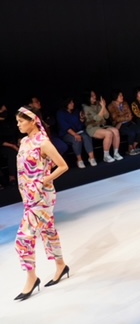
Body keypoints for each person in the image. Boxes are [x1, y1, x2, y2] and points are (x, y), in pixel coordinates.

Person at [14, 106, 70, 301]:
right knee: (48, 231)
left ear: (32, 121)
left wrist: (45, 180)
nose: (18, 124)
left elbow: (62, 165)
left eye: (21, 121)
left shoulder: (43, 142)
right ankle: (61, 265)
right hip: (29, 196)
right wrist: (24, 192)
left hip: (42, 197)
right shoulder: (24, 141)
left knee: (23, 239)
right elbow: (22, 171)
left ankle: (31, 278)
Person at [82, 90, 123, 163]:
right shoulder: (86, 107)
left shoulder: (98, 104)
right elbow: (97, 118)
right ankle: (106, 156)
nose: (94, 97)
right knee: (108, 133)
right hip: (92, 127)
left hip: (102, 125)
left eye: (94, 95)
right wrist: (103, 107)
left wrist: (103, 106)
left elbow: (107, 116)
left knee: (116, 131)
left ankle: (116, 153)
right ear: (88, 97)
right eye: (92, 96)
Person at [56, 97, 97, 168]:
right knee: (76, 140)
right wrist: (75, 134)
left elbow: (80, 126)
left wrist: (81, 119)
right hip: (66, 134)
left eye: (73, 102)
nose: (72, 104)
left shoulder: (76, 112)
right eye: (70, 103)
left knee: (86, 136)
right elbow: (65, 127)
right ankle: (79, 160)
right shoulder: (60, 113)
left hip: (78, 131)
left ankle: (91, 158)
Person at [108, 90, 140, 156]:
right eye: (120, 96)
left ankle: (134, 146)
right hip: (119, 125)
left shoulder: (125, 103)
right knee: (131, 133)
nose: (122, 97)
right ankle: (130, 148)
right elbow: (116, 118)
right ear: (116, 97)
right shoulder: (111, 106)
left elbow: (130, 115)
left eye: (122, 95)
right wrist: (125, 118)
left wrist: (124, 118)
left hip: (129, 122)